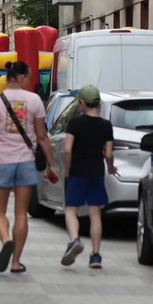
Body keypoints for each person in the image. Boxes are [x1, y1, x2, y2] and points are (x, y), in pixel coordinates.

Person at [0, 61, 57, 274]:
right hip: (25, 162)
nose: (29, 81)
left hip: (1, 161)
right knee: (21, 213)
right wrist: (52, 165)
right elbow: (42, 136)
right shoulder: (34, 101)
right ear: (22, 77)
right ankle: (15, 262)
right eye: (28, 77)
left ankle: (5, 241)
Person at [61, 85, 115, 269]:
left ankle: (75, 239)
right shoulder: (106, 125)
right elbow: (108, 154)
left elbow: (67, 149)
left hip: (77, 171)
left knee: (70, 210)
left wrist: (67, 169)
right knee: (95, 213)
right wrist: (111, 167)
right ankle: (96, 256)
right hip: (96, 172)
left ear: (82, 103)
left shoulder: (75, 123)